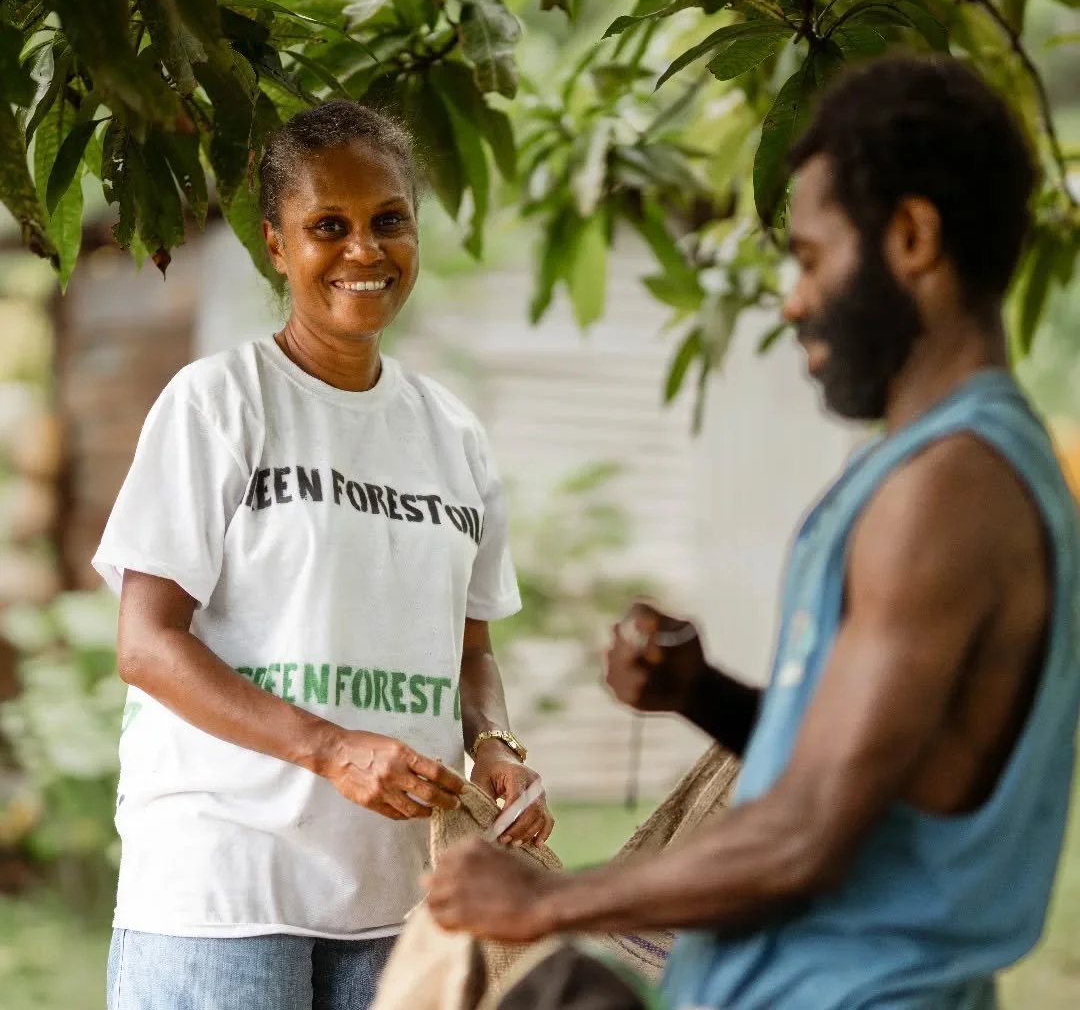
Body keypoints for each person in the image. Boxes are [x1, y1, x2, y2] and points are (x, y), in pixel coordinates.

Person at [424, 54, 1080, 1009]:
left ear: (911, 237)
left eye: (811, 258)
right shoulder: (929, 467)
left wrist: (553, 899)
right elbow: (867, 766)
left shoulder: (952, 488)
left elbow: (810, 832)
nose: (793, 298)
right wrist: (704, 694)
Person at [93, 101, 552, 1010]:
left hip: (400, 902)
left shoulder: (451, 435)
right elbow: (147, 645)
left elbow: (471, 654)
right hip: (223, 894)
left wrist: (494, 744)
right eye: (327, 227)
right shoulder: (219, 404)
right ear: (275, 243)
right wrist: (330, 747)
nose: (364, 251)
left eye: (389, 221)